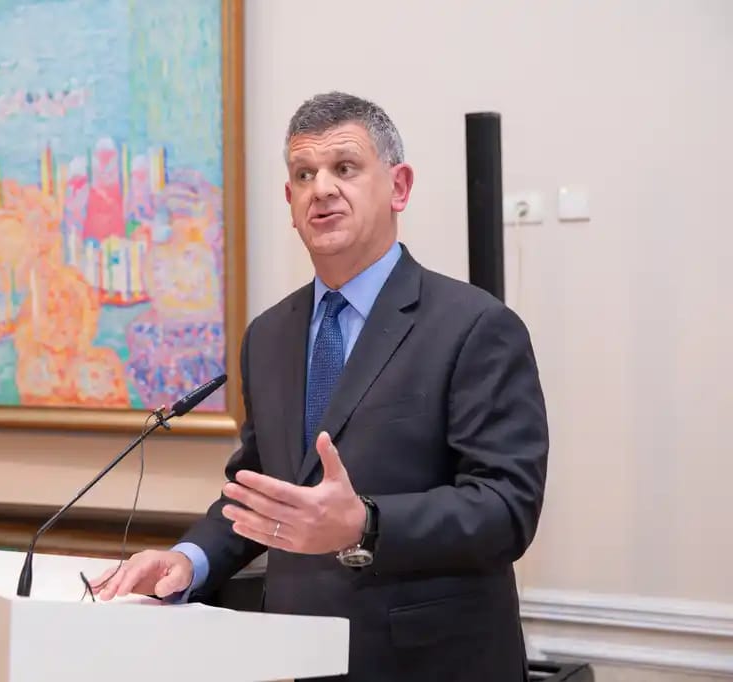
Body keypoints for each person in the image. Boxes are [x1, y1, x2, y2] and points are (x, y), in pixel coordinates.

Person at [92, 91, 549, 681]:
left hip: (428, 662)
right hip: (294, 656)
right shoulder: (267, 335)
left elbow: (506, 508)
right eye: (304, 174)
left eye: (345, 167)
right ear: (290, 202)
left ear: (399, 187)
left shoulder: (475, 326)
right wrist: (190, 558)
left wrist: (365, 522)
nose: (322, 188)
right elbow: (260, 492)